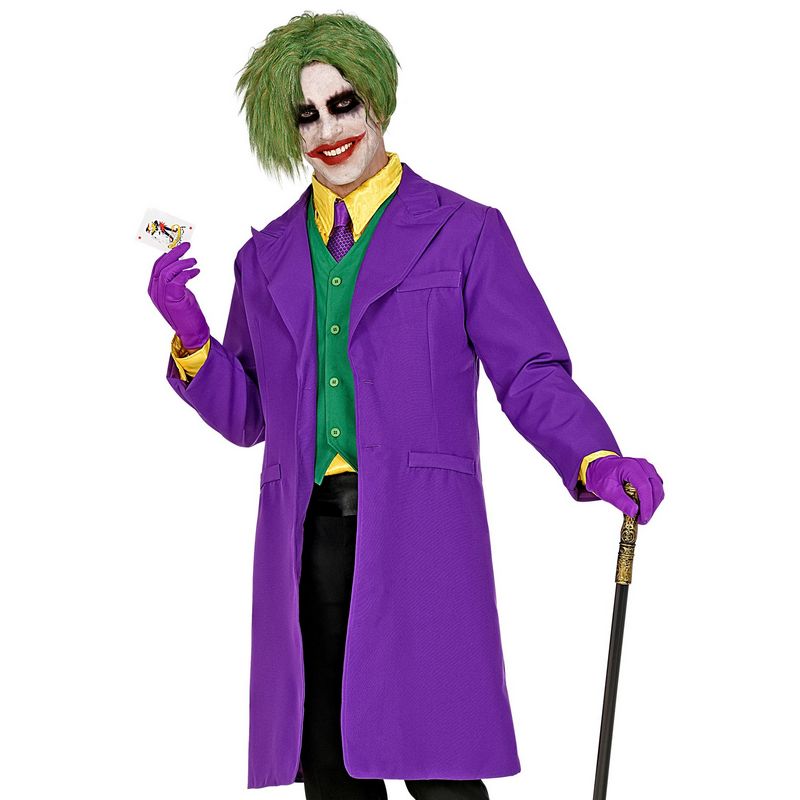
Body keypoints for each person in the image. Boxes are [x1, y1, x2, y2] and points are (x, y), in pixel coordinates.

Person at [147, 12, 664, 798]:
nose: (328, 131)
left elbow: (529, 372)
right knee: (331, 768)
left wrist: (594, 455)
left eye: (342, 104)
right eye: (307, 116)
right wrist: (192, 343)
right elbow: (250, 414)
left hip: (422, 537)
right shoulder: (264, 257)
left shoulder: (465, 233)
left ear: (377, 101)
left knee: (440, 770)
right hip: (306, 541)